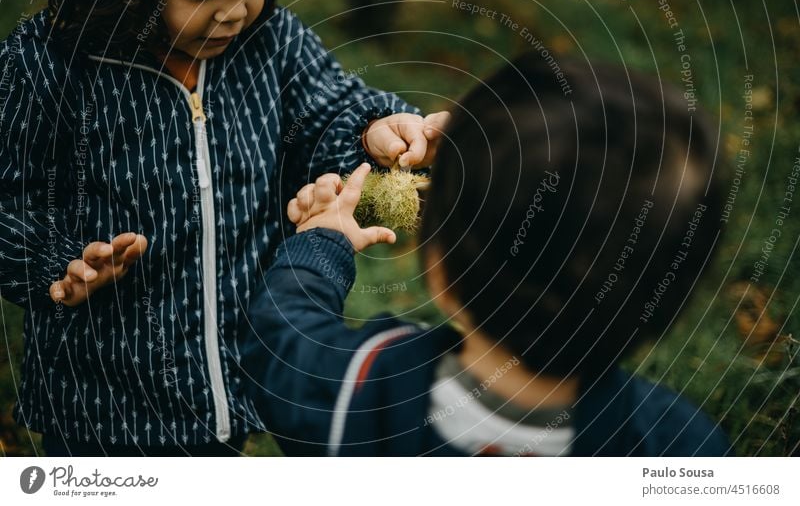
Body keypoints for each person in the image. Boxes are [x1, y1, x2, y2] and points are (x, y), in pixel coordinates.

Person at [0, 0, 448, 456]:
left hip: (238, 383)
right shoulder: (43, 66)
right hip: (105, 409)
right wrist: (53, 263)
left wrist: (374, 132)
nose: (233, 12)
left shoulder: (272, 43)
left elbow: (329, 113)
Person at [243, 52, 730, 456]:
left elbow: (279, 329)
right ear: (667, 305)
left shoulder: (352, 394)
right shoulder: (683, 446)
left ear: (438, 271)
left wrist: (322, 238)